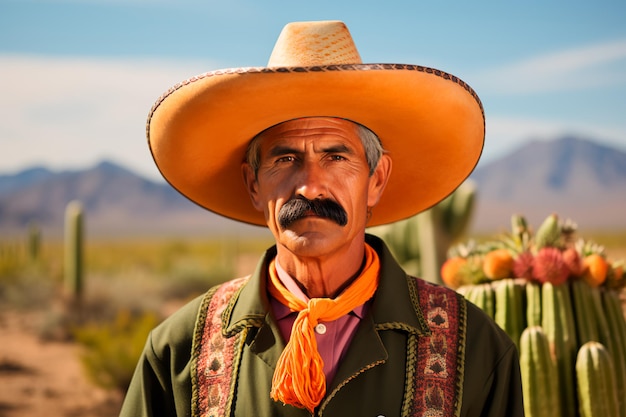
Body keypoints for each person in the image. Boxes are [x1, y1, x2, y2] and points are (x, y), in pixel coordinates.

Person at [120, 21, 524, 417]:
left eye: (336, 157)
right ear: (253, 184)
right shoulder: (179, 351)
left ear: (376, 180)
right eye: (285, 159)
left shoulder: (474, 350)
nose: (310, 187)